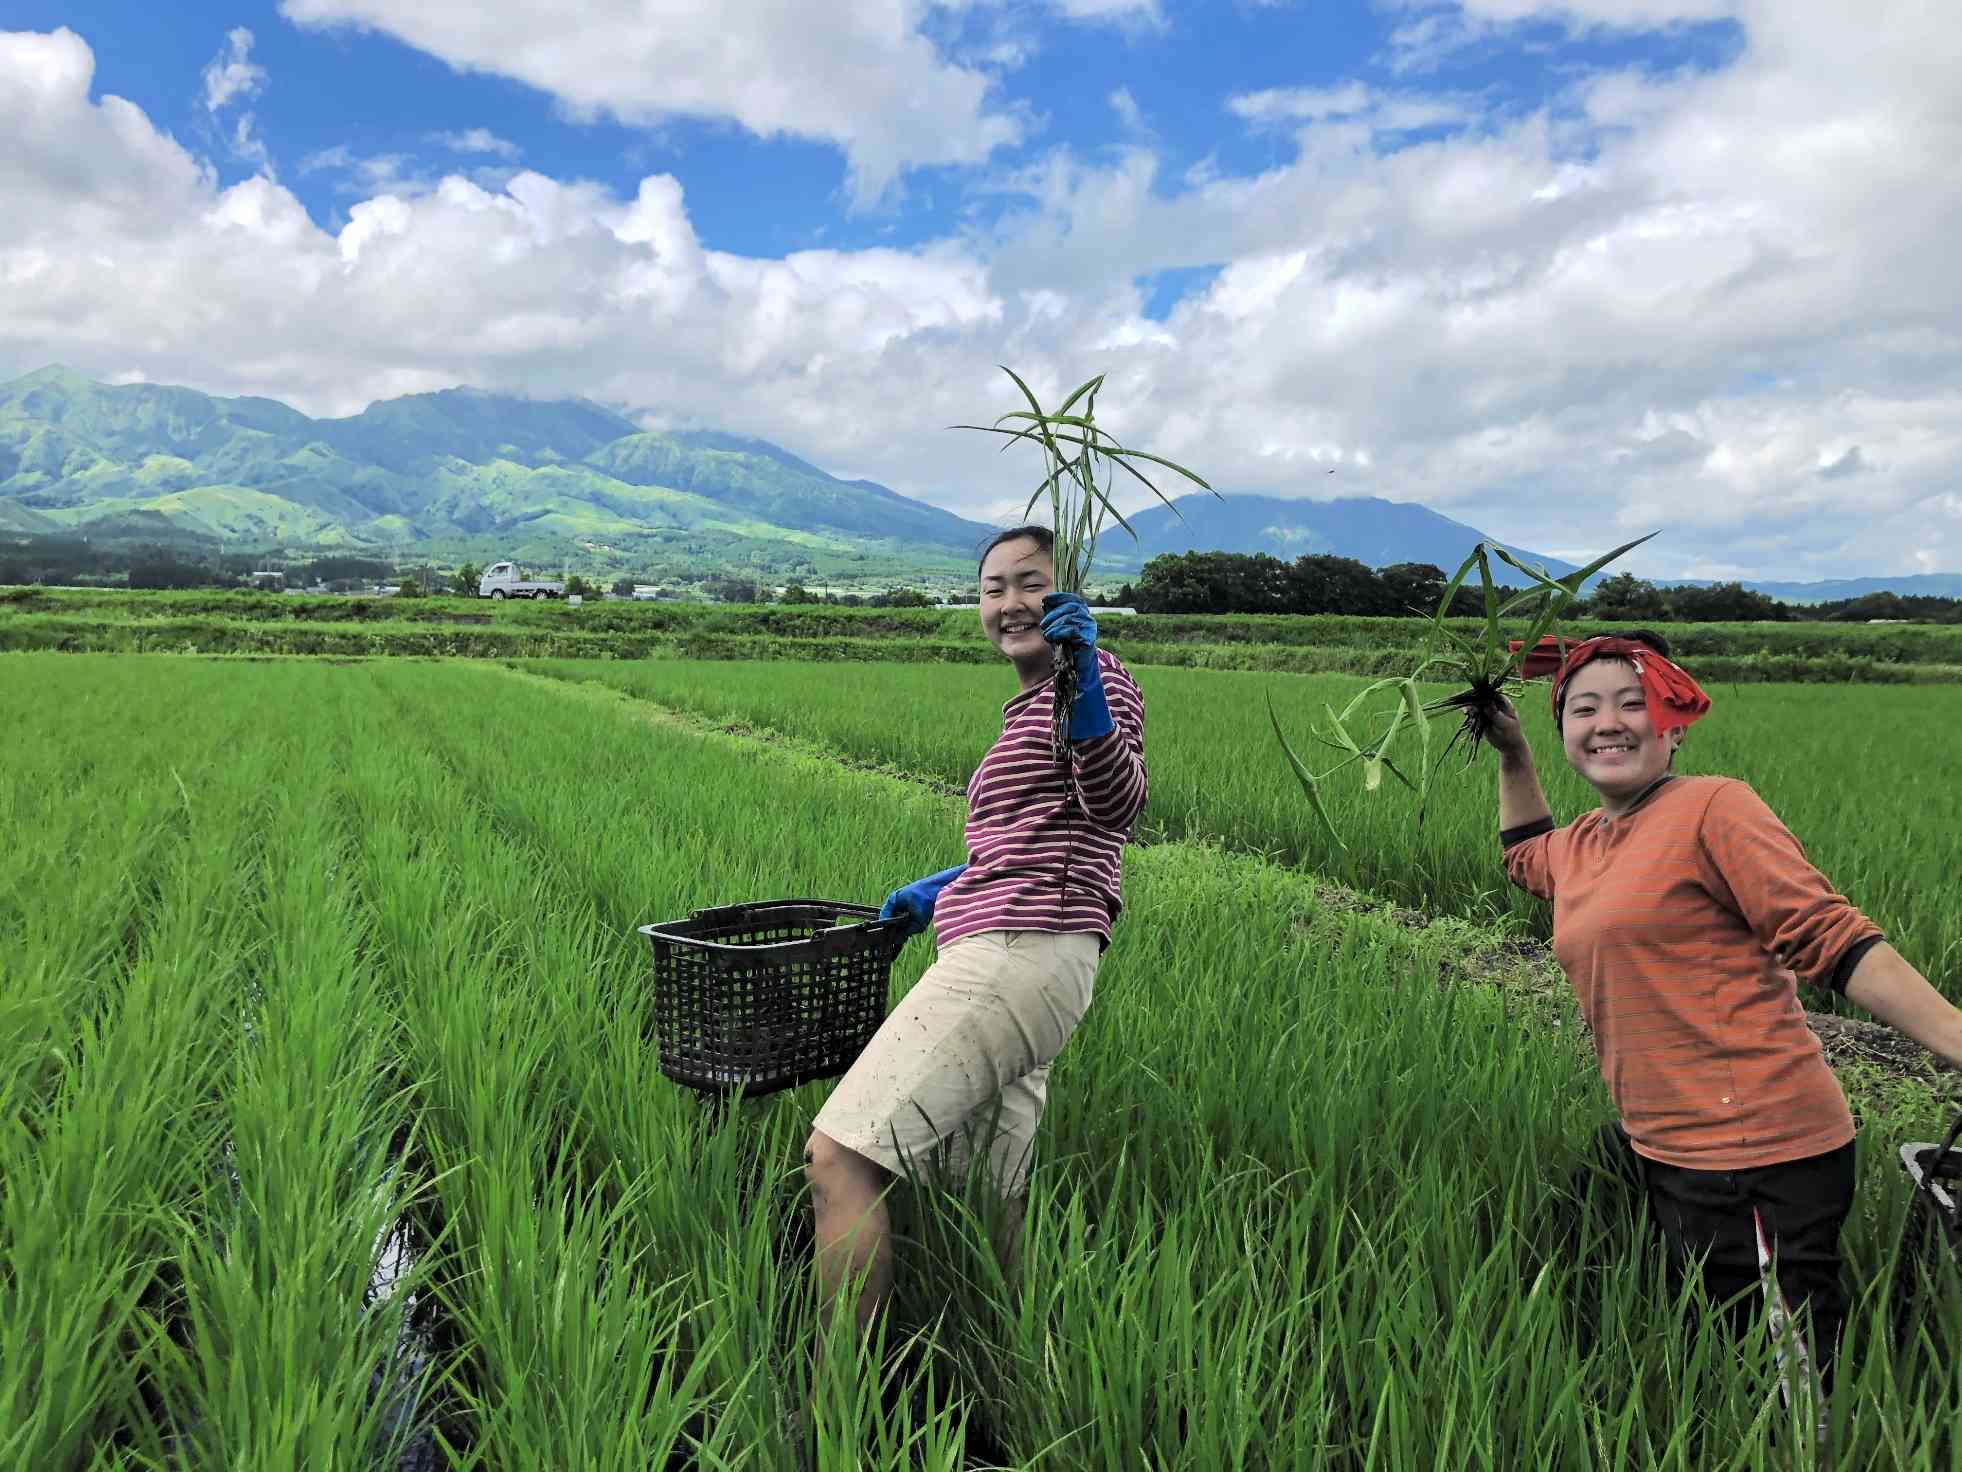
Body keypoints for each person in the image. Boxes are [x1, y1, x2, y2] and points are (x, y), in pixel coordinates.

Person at [1485, 631, 1962, 1389]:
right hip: (1660, 1145)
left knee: (1784, 1386)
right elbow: (1522, 855)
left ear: (1674, 724)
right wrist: (1513, 755)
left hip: (1758, 1156)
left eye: (1633, 703)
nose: (1607, 722)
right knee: (1620, 1272)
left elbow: (1828, 936)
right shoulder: (1582, 845)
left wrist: (1957, 1039)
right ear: (1564, 731)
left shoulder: (1713, 808)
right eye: (1583, 708)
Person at [802, 524, 1148, 1343]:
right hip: (1023, 949)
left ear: (1071, 596)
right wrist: (939, 890)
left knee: (839, 1156)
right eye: (992, 588)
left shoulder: (1094, 682)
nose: (1009, 603)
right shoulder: (1028, 705)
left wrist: (1088, 677)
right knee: (989, 1202)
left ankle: (839, 1412)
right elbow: (1036, 840)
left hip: (1020, 953)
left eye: (1030, 583)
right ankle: (1017, 1386)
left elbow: (1116, 805)